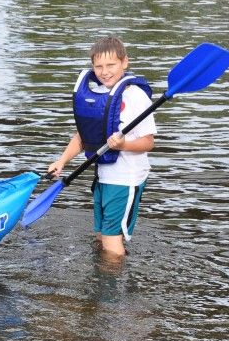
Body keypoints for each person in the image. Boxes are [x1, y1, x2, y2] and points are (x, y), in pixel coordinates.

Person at [47, 36, 156, 258]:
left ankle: (112, 289)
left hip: (126, 178)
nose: (104, 72)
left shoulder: (135, 96)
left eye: (111, 65)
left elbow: (148, 143)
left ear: (125, 62)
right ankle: (104, 277)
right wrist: (62, 161)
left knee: (111, 241)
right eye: (99, 66)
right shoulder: (97, 94)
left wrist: (124, 144)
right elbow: (82, 137)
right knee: (101, 236)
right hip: (104, 176)